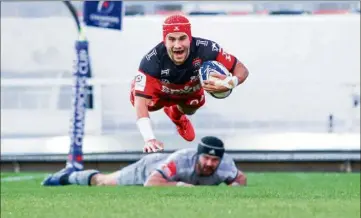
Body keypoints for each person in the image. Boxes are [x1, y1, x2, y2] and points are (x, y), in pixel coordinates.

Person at [130, 14, 249, 153]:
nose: (177, 45)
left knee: (192, 108)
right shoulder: (151, 61)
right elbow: (140, 104)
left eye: (182, 38)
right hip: (160, 91)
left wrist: (230, 82)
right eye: (172, 39)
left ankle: (176, 114)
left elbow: (242, 69)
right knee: (143, 103)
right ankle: (150, 94)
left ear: (189, 37)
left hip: (190, 89)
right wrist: (149, 139)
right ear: (165, 40)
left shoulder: (208, 49)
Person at [41, 136, 247, 187]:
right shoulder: (181, 160)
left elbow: (240, 178)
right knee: (103, 182)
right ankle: (65, 178)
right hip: (150, 168)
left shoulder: (225, 165)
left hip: (165, 175)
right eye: (207, 158)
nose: (211, 163)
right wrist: (181, 186)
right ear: (198, 155)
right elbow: (152, 182)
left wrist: (235, 187)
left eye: (215, 160)